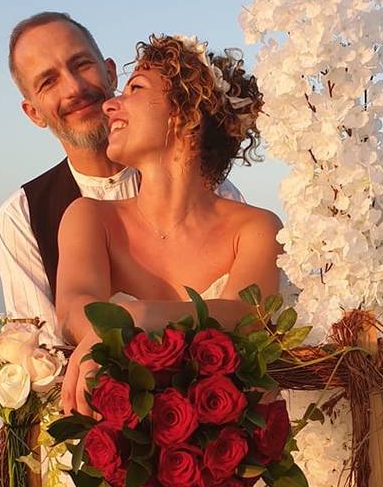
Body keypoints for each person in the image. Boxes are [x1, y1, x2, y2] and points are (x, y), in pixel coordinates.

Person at [57, 34, 282, 415]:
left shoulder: (257, 229)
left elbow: (247, 319)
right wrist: (97, 325)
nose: (110, 105)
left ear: (187, 114)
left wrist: (130, 318)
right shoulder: (90, 218)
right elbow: (73, 308)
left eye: (136, 89)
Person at [0, 13, 243, 345]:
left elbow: (248, 319)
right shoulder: (22, 216)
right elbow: (44, 354)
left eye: (81, 64)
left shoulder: (212, 191)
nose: (75, 88)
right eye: (48, 82)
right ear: (34, 112)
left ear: (110, 72)